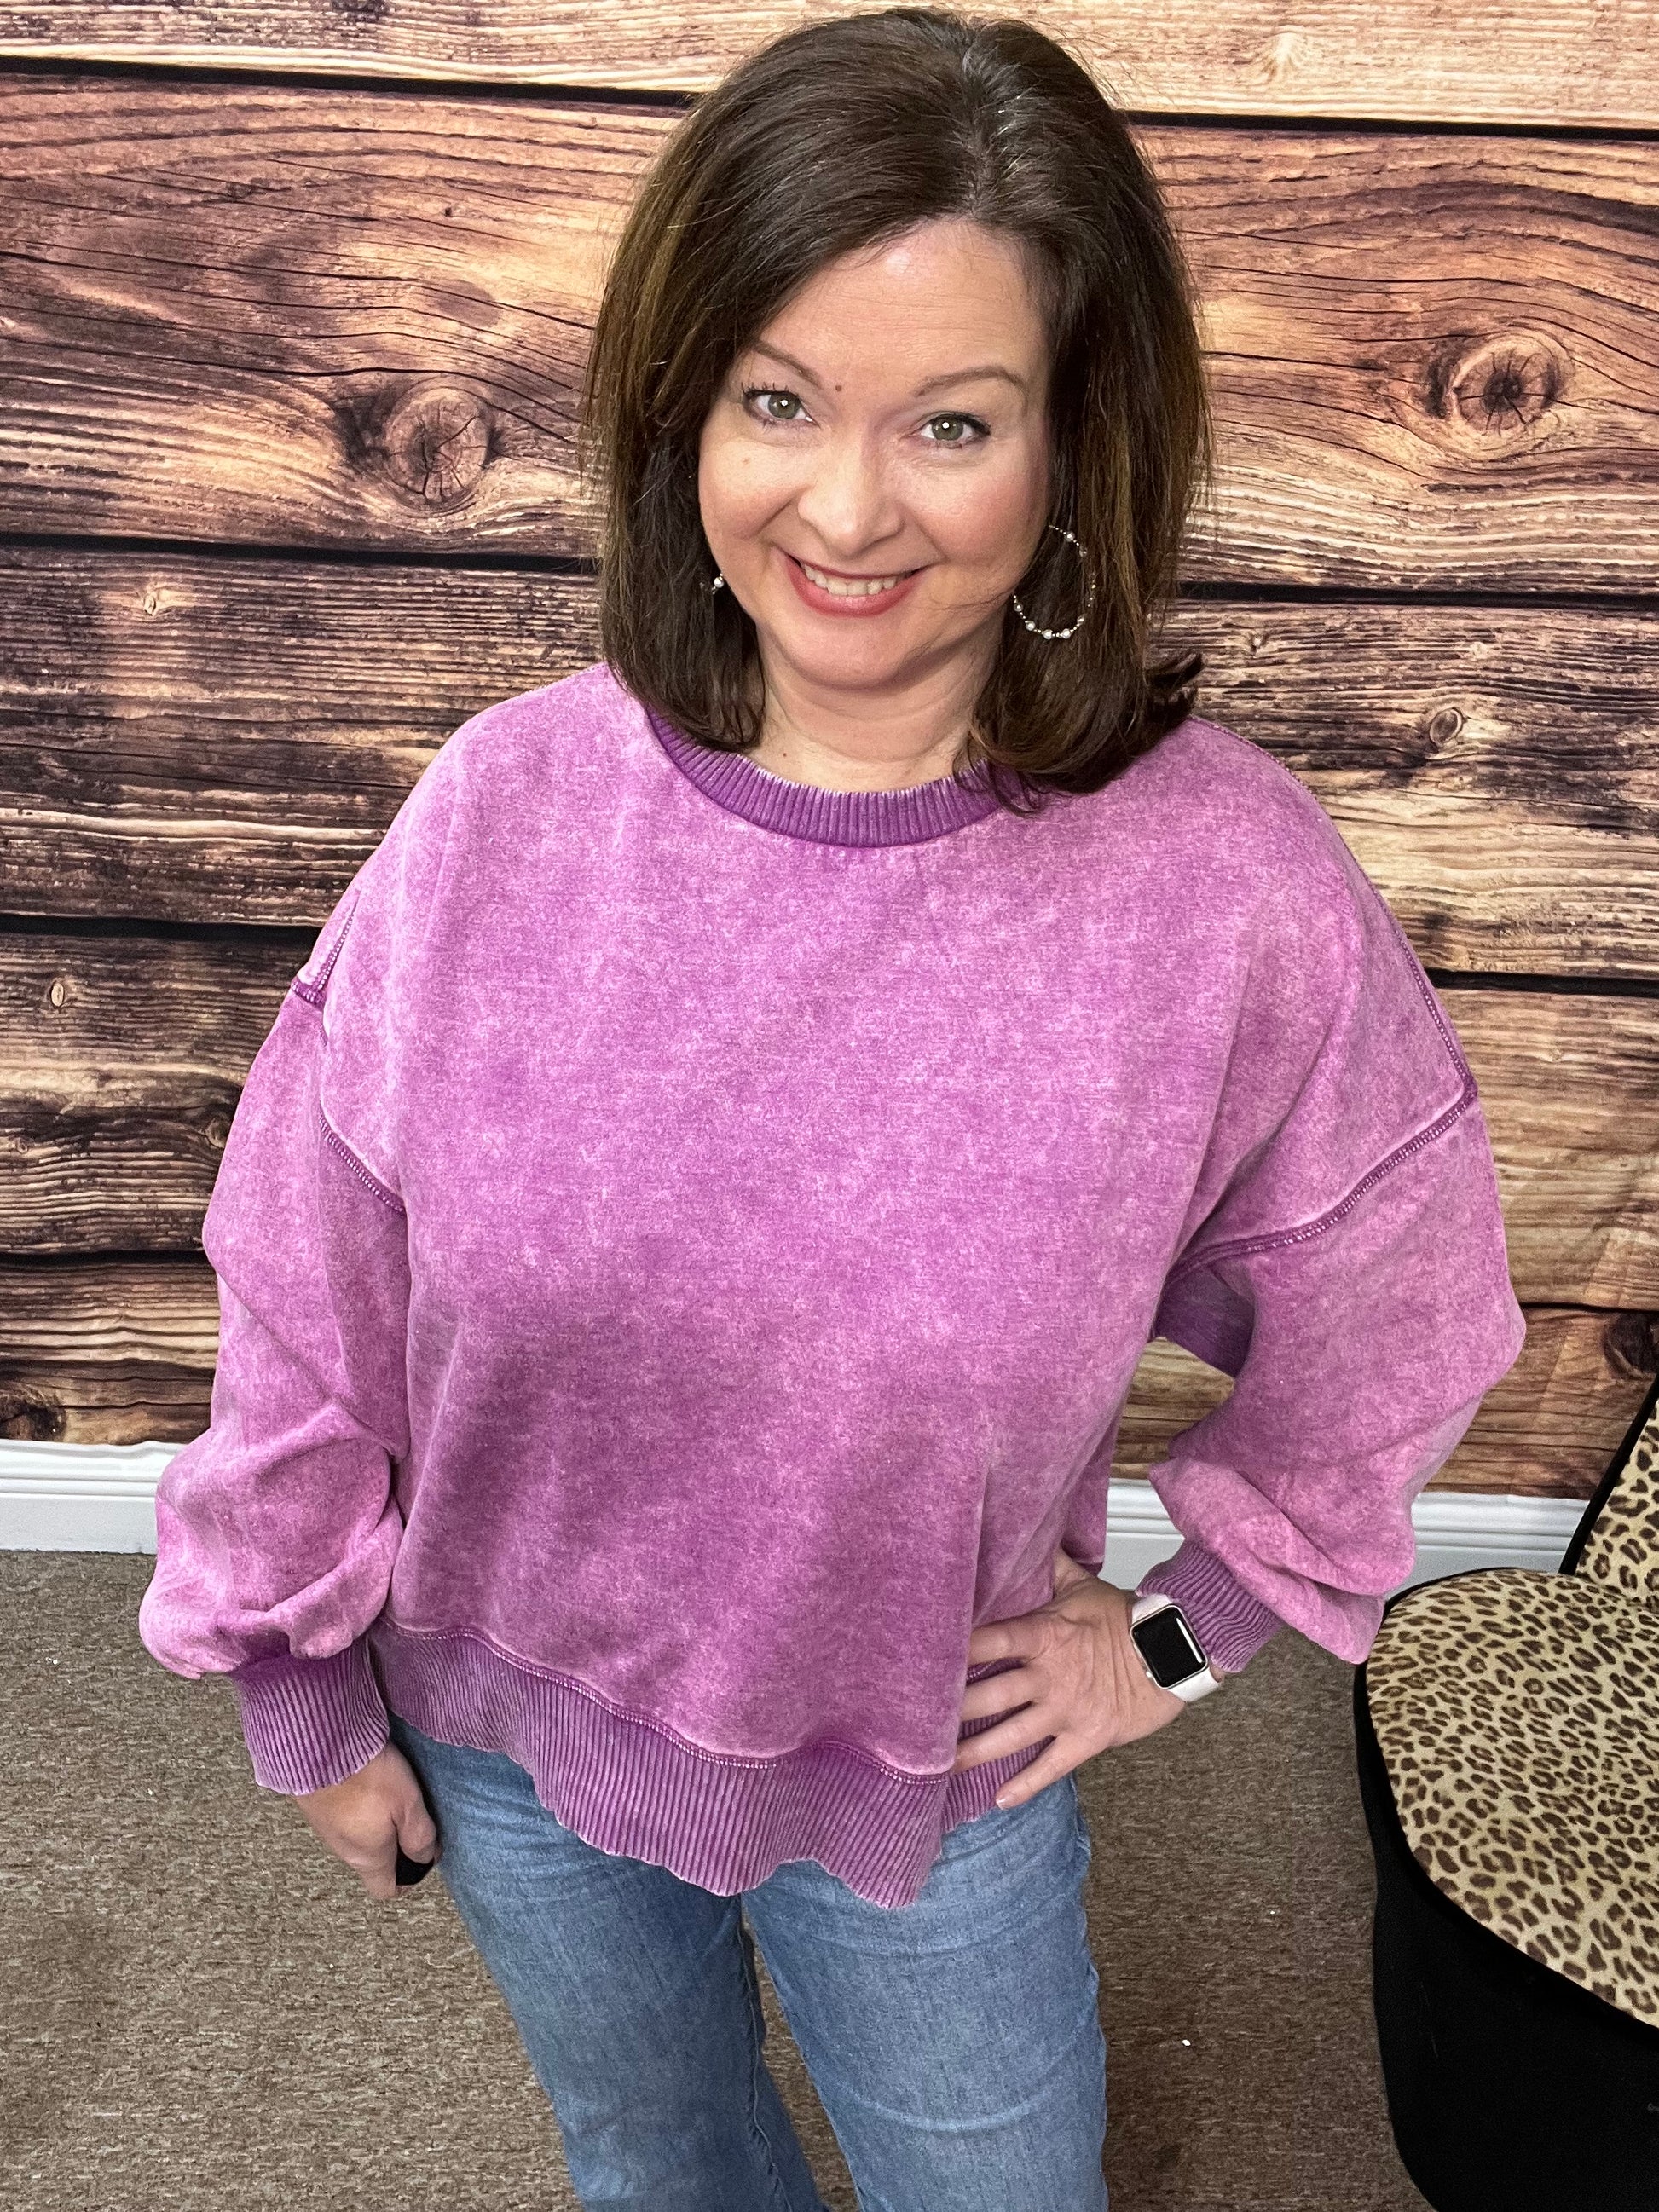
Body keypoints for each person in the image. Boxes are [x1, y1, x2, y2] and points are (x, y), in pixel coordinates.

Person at [137, 10, 1527, 2209]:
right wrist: (297, 1685)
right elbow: (311, 1297)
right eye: (777, 401)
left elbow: (1400, 1304)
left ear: (1072, 449)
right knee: (656, 2158)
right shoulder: (505, 813)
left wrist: (1183, 1634)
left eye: (951, 422)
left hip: (929, 1773)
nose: (849, 509)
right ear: (683, 412)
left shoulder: (1219, 891)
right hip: (505, 1733)